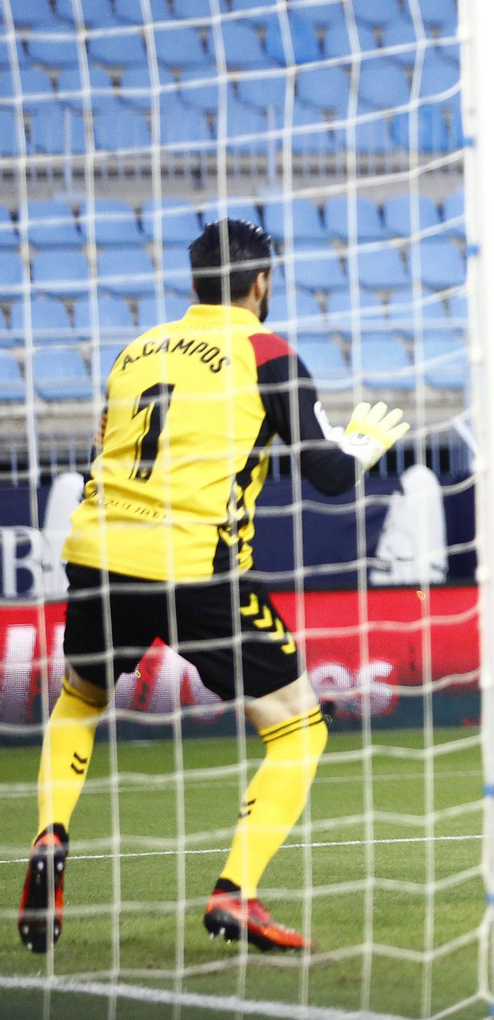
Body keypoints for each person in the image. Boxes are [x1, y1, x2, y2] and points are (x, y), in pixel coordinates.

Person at [18, 218, 409, 953]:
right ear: (262, 283)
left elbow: (110, 443)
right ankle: (236, 891)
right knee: (298, 728)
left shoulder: (138, 350)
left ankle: (50, 832)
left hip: (98, 552)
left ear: (193, 281)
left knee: (80, 697)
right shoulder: (268, 352)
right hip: (196, 566)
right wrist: (362, 445)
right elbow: (326, 475)